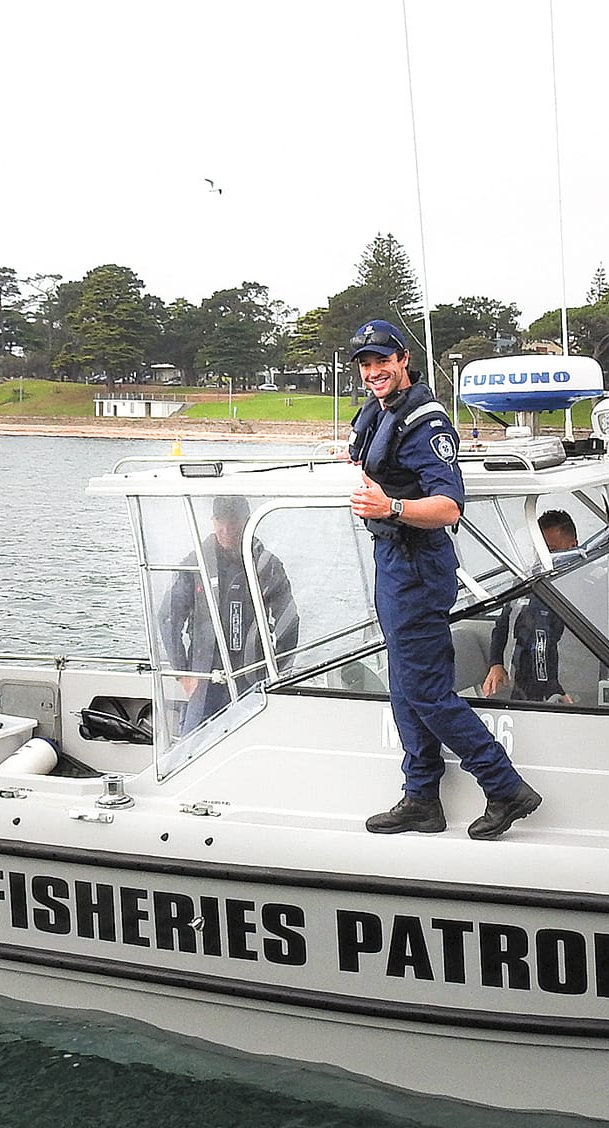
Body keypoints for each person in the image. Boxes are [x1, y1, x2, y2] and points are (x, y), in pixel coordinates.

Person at [345, 319, 542, 840]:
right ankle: (421, 799)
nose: (373, 372)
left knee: (427, 689)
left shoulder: (426, 424)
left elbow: (449, 507)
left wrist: (390, 505)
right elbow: (361, 455)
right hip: (392, 561)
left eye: (381, 361)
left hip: (416, 564)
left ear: (403, 359)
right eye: (365, 364)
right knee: (404, 685)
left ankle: (505, 787)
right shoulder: (379, 411)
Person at [159, 495, 299, 735]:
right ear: (212, 522)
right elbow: (168, 618)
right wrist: (183, 674)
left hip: (251, 677)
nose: (226, 529)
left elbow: (288, 623)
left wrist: (278, 674)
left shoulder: (267, 566)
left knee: (254, 741)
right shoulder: (195, 564)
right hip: (204, 679)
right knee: (192, 748)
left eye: (233, 521)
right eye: (220, 521)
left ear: (247, 522)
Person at [480, 510, 579, 702]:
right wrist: (496, 663)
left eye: (552, 550)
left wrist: (555, 687)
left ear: (572, 545)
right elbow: (502, 624)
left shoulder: (592, 582)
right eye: (539, 550)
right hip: (526, 679)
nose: (545, 558)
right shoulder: (525, 581)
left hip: (572, 682)